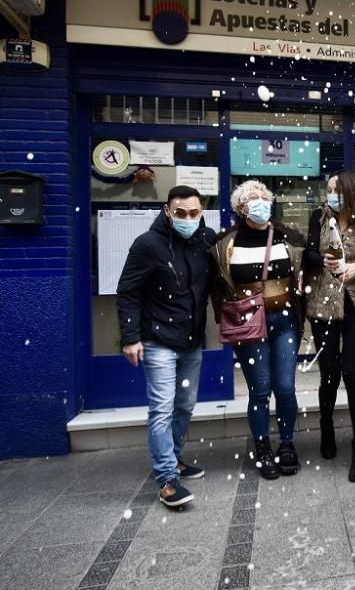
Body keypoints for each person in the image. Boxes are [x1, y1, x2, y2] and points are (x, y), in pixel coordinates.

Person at [116, 185, 216, 508]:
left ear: (201, 212)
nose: (187, 219)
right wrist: (130, 338)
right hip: (158, 340)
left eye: (194, 213)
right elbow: (128, 292)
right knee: (162, 408)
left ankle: (173, 458)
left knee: (185, 404)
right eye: (181, 213)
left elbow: (219, 279)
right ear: (167, 210)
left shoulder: (206, 239)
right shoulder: (148, 245)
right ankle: (166, 480)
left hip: (191, 339)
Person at [211, 180, 305, 480]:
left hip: (285, 320)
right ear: (241, 206)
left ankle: (287, 443)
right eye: (254, 197)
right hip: (248, 324)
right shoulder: (224, 243)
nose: (261, 201)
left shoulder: (288, 237)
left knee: (286, 387)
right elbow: (213, 281)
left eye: (265, 197)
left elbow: (310, 259)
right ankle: (263, 446)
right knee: (260, 390)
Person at [304, 171, 355, 483]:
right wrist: (322, 261)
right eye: (329, 190)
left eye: (335, 190)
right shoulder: (318, 217)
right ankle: (326, 428)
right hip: (322, 305)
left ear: (350, 192)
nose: (330, 195)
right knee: (330, 372)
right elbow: (307, 254)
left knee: (351, 370)